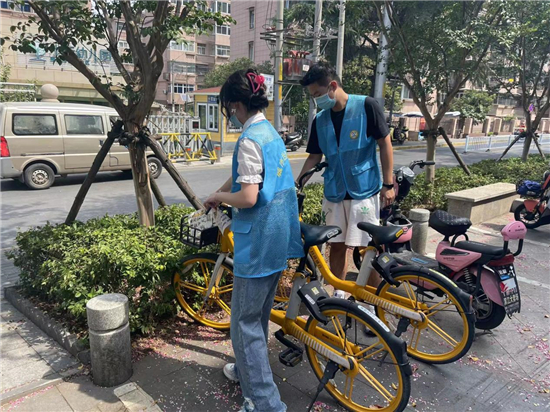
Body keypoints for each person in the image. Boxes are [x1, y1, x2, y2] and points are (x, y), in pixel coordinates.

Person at [204, 69, 303, 412]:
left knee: (243, 325)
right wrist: (221, 191)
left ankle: (264, 402)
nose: (229, 113)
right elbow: (252, 177)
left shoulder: (248, 139)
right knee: (257, 316)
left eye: (228, 107)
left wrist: (221, 196)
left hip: (256, 242)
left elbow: (247, 196)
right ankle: (247, 372)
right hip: (278, 237)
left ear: (234, 105)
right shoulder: (270, 132)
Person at [297, 62, 395, 298]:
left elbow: (385, 143)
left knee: (367, 249)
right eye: (313, 96)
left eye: (318, 94)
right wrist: (297, 183)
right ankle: (340, 295)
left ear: (332, 86)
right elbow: (314, 156)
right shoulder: (320, 120)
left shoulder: (366, 106)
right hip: (334, 192)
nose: (316, 100)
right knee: (336, 246)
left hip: (364, 190)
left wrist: (388, 184)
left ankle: (372, 304)